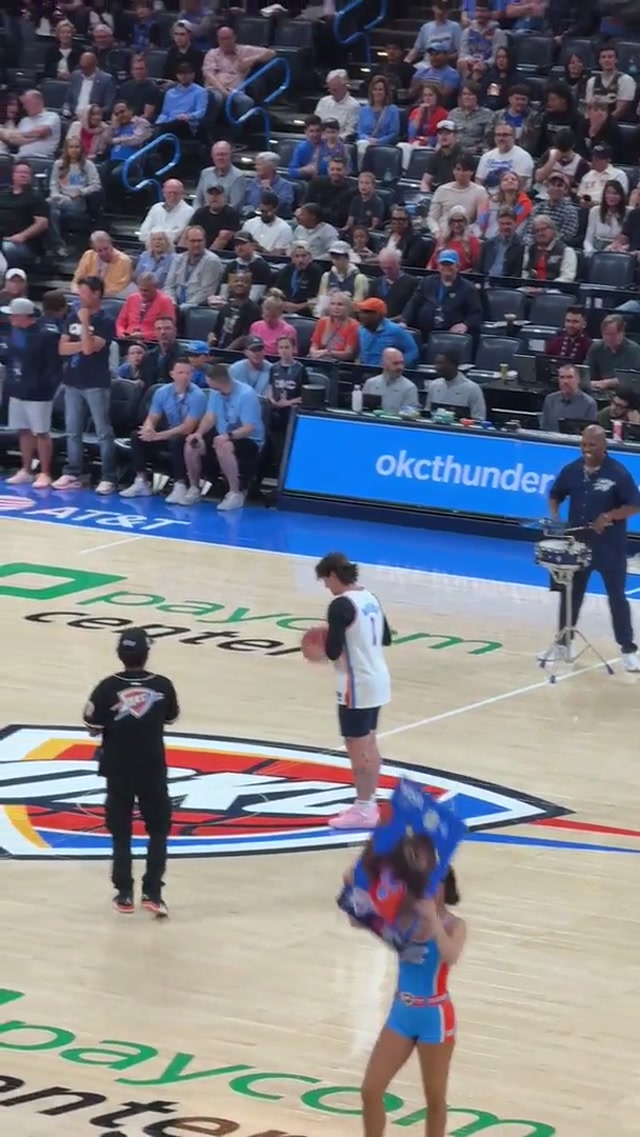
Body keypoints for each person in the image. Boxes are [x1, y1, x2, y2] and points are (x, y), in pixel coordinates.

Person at [358, 853, 465, 1137]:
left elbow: (451, 955)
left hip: (435, 1017)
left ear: (445, 887)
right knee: (370, 1089)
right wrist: (359, 876)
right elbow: (360, 919)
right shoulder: (403, 920)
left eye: (435, 884)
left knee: (434, 1098)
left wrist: (434, 920)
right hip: (402, 1014)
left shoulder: (455, 925)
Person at [83, 627, 179, 916]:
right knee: (159, 829)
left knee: (121, 830)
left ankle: (124, 893)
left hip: (117, 767)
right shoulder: (162, 685)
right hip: (151, 767)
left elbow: (91, 723)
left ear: (119, 654)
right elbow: (171, 716)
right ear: (146, 654)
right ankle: (153, 892)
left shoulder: (106, 687)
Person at [544, 424, 640, 671]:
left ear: (603, 445)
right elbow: (555, 494)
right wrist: (555, 517)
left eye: (592, 445)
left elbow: (634, 505)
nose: (587, 450)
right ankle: (564, 643)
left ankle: (628, 650)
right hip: (577, 542)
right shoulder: (572, 469)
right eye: (584, 444)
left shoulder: (618, 473)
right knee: (570, 594)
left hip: (610, 546)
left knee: (617, 598)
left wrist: (610, 516)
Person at [314, 552, 392, 829]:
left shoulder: (340, 606)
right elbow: (386, 638)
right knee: (370, 743)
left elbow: (333, 650)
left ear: (333, 574)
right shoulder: (370, 597)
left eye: (325, 580)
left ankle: (364, 808)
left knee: (357, 747)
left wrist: (316, 645)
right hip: (378, 678)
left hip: (355, 684)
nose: (326, 587)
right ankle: (367, 802)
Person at [53, 275, 116, 494]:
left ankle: (109, 477)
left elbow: (90, 350)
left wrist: (85, 322)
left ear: (97, 293)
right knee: (72, 431)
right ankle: (73, 472)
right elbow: (62, 349)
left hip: (96, 383)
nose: (80, 296)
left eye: (84, 292)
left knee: (103, 432)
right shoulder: (72, 316)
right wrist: (84, 342)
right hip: (72, 380)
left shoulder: (106, 321)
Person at [121, 355, 206, 504]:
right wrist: (148, 429)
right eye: (181, 373)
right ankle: (141, 481)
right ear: (171, 374)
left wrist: (158, 436)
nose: (185, 376)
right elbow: (152, 417)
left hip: (189, 439)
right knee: (137, 435)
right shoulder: (162, 392)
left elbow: (187, 428)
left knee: (177, 440)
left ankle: (180, 484)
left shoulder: (198, 395)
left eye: (188, 373)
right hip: (166, 433)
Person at [184, 362, 265, 511]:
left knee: (223, 445)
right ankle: (194, 488)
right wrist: (199, 433)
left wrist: (228, 436)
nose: (214, 390)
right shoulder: (216, 393)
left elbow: (248, 428)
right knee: (191, 443)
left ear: (223, 381)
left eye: (215, 387)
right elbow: (210, 417)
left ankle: (235, 493)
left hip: (249, 439)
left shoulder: (246, 394)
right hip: (224, 434)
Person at [1, 297, 62, 489]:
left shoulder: (46, 334)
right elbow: (10, 357)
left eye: (13, 316)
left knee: (41, 432)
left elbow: (54, 365)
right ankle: (26, 470)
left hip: (38, 392)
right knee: (23, 430)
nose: (9, 319)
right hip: (17, 388)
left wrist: (45, 386)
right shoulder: (14, 333)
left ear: (23, 316)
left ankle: (45, 472)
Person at [426, 351, 486, 419]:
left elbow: (479, 418)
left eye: (441, 364)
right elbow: (428, 413)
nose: (437, 367)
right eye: (436, 363)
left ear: (453, 365)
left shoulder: (473, 389)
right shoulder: (434, 385)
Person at [540, 363, 597, 432]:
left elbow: (589, 434)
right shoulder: (550, 400)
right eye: (562, 377)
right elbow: (543, 428)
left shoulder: (589, 404)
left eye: (570, 377)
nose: (565, 381)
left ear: (578, 379)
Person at [362, 349, 420, 413]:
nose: (400, 367)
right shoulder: (371, 383)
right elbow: (363, 410)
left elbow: (410, 415)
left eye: (402, 363)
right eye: (395, 363)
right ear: (383, 363)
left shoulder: (410, 388)